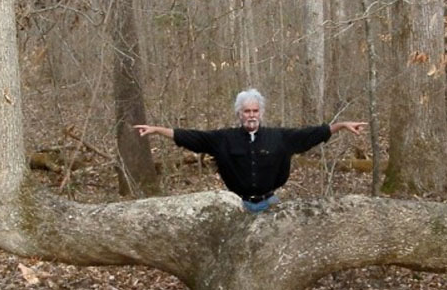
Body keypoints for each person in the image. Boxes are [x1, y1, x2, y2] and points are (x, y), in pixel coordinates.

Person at [134, 88, 367, 212]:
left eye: (255, 111)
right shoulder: (223, 139)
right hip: (237, 206)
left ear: (261, 113)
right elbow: (190, 137)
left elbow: (313, 134)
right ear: (239, 114)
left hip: (271, 204)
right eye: (247, 111)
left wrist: (341, 126)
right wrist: (156, 130)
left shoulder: (279, 138)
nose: (251, 115)